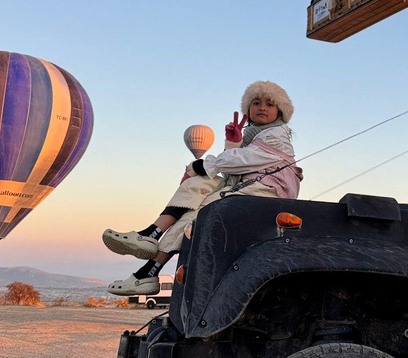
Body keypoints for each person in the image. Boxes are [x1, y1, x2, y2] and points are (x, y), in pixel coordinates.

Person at [102, 81, 303, 296]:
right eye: (256, 102)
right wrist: (233, 142)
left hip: (266, 191)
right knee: (196, 184)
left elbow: (245, 160)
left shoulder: (277, 135)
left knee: (201, 210)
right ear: (248, 110)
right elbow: (234, 169)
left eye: (269, 104)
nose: (262, 107)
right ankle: (152, 234)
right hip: (245, 187)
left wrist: (206, 163)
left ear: (280, 111)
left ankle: (149, 270)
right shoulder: (253, 136)